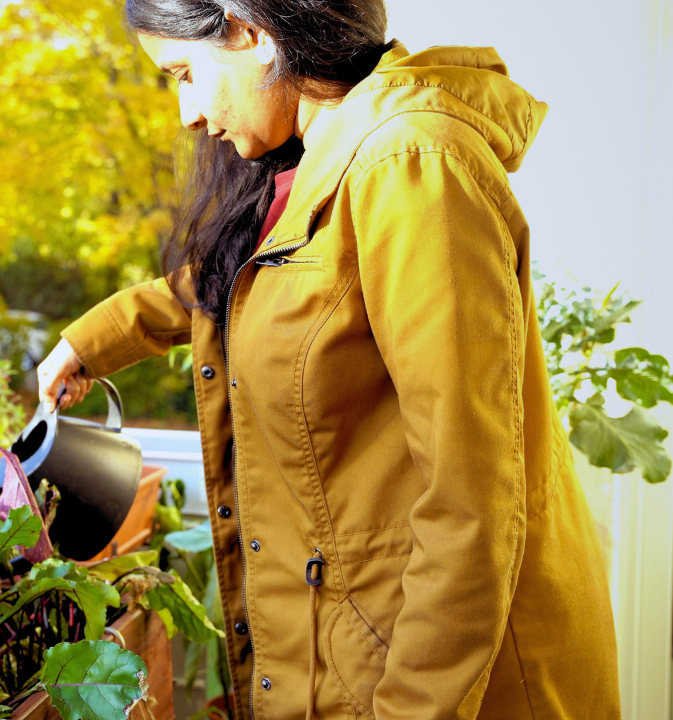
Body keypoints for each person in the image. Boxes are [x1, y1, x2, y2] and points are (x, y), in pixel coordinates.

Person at [36, 1, 620, 718]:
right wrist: (94, 339)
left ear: (249, 31)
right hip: (361, 650)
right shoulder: (314, 159)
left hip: (448, 682)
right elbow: (266, 284)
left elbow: (473, 505)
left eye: (185, 73)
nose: (187, 113)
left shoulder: (408, 169)